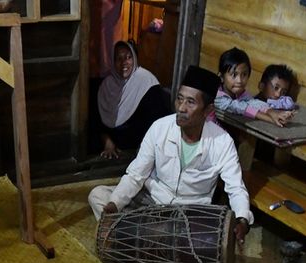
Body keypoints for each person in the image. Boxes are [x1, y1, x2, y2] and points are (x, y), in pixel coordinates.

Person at [88, 65, 254, 246]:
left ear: (207, 110)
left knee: (213, 233)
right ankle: (147, 236)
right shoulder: (160, 128)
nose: (181, 108)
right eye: (179, 99)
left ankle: (131, 236)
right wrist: (114, 205)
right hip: (152, 202)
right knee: (98, 195)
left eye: (190, 102)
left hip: (188, 215)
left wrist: (242, 219)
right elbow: (136, 175)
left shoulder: (222, 142)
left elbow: (236, 188)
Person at [96, 40, 171, 160]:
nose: (124, 63)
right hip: (111, 150)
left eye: (128, 57)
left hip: (140, 151)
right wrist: (108, 142)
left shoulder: (146, 82)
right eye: (118, 58)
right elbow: (96, 122)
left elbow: (157, 123)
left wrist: (143, 151)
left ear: (134, 59)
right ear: (113, 61)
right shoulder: (107, 85)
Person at [214, 48, 294, 127]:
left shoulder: (241, 94)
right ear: (221, 77)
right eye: (234, 75)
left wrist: (272, 112)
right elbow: (240, 107)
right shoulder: (217, 96)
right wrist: (272, 119)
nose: (239, 80)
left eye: (244, 74)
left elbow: (253, 102)